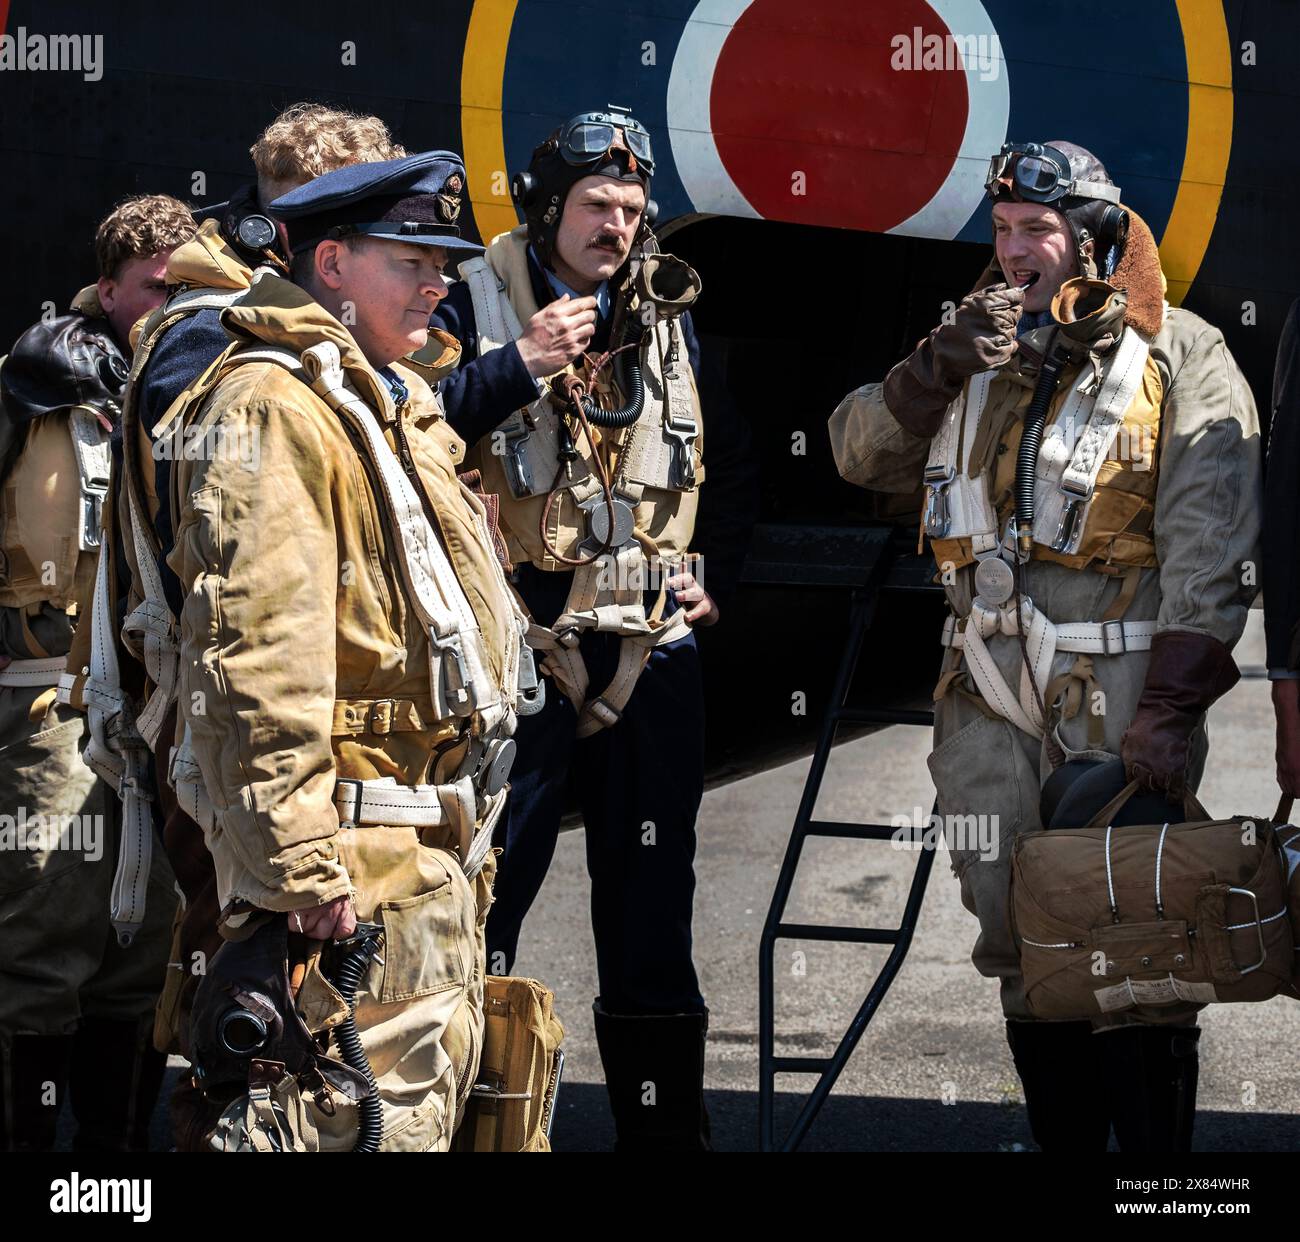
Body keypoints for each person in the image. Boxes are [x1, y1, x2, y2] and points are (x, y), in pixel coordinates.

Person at [829, 141, 1262, 1152]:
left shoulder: (1183, 354)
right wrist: (935, 364)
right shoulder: (967, 350)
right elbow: (854, 453)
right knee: (1015, 933)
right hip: (983, 695)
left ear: (1096, 240)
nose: (1014, 252)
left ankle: (1155, 1179)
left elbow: (1213, 541)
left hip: (1118, 691)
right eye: (1003, 230)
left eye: (1038, 232)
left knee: (1136, 941)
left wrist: (1168, 708)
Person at [166, 150, 527, 1151]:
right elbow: (257, 656)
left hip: (417, 863)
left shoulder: (377, 398)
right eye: (410, 258)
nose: (437, 281)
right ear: (330, 263)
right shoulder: (276, 411)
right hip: (350, 874)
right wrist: (298, 861)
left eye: (444, 261)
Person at [79, 105, 407, 1122]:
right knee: (258, 1035)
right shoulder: (219, 345)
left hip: (297, 732)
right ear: (307, 229)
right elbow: (244, 602)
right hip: (233, 733)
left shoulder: (280, 332)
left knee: (307, 1024)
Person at [431, 105, 715, 1149]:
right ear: (552, 208)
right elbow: (397, 429)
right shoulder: (462, 300)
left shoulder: (664, 309)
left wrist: (702, 572)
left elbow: (710, 456)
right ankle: (464, 1118)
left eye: (633, 210)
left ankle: (663, 1134)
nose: (617, 227)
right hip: (519, 648)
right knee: (484, 896)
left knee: (652, 910)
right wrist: (518, 360)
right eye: (597, 206)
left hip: (647, 651)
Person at [0, 193, 195, 1150]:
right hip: (47, 697)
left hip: (164, 703)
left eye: (186, 287)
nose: (170, 305)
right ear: (109, 286)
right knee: (45, 923)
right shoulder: (29, 391)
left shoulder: (205, 394)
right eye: (155, 288)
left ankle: (113, 1164)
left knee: (147, 942)